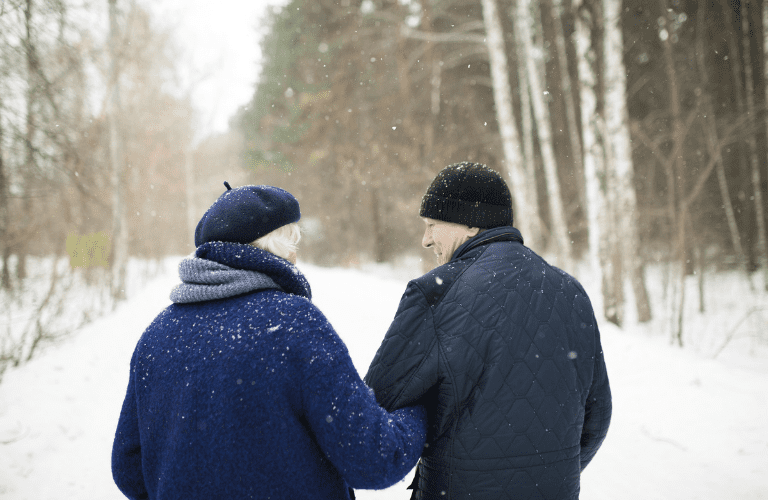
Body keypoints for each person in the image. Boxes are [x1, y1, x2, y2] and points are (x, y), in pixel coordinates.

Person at [112, 182, 426, 500]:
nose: (295, 257)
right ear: (276, 246)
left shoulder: (158, 334)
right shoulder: (294, 324)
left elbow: (128, 468)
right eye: (293, 244)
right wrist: (417, 412)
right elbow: (373, 458)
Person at [364, 162, 611, 500]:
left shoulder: (437, 292)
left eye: (432, 225)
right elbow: (597, 416)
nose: (426, 240)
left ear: (469, 223)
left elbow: (376, 409)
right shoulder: (570, 291)